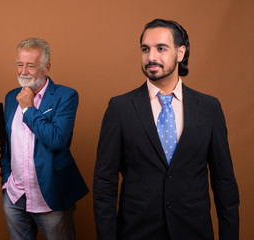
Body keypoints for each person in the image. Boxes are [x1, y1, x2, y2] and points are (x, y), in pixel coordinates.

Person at [93, 19, 239, 240]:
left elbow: (224, 182)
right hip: (137, 231)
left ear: (180, 53)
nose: (151, 57)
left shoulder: (209, 108)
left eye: (161, 48)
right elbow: (104, 184)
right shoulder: (119, 108)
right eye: (145, 49)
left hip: (194, 231)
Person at [0, 38, 89, 240]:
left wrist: (28, 109)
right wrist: (6, 178)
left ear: (46, 67)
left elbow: (56, 139)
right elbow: (5, 143)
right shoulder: (10, 97)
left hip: (50, 194)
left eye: (30, 66)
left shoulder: (66, 96)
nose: (23, 72)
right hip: (15, 195)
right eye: (19, 65)